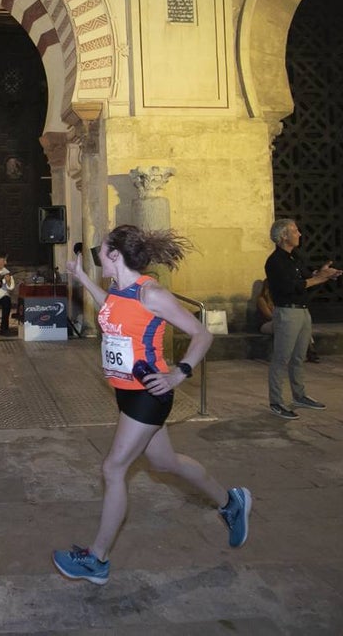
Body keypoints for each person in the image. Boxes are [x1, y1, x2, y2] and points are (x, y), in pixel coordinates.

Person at [51, 224, 251, 586]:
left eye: (101, 250)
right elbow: (110, 308)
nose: (98, 255)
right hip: (126, 392)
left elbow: (202, 334)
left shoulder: (151, 294)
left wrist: (179, 373)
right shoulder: (119, 290)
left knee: (113, 468)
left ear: (115, 255)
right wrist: (80, 276)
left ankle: (97, 559)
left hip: (149, 393)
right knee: (164, 462)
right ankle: (230, 501)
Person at [264, 219, 342, 420]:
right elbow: (292, 286)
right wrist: (318, 278)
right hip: (287, 312)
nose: (299, 234)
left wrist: (323, 274)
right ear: (283, 236)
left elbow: (307, 276)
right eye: (295, 231)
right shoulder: (275, 262)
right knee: (282, 358)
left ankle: (299, 396)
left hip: (302, 311)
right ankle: (276, 401)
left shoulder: (294, 258)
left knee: (299, 357)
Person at [256, 278, 320, 361]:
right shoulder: (261, 299)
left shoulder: (279, 298)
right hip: (267, 324)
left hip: (282, 321)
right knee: (288, 325)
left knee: (300, 326)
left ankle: (309, 351)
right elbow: (269, 316)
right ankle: (307, 351)